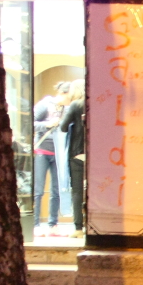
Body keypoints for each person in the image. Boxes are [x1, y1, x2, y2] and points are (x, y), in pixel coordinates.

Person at [32, 82, 69, 229]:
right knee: (38, 189)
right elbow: (30, 122)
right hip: (42, 150)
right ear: (62, 93)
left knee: (57, 189)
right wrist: (46, 125)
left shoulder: (67, 108)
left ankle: (53, 224)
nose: (70, 100)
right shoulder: (45, 104)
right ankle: (35, 224)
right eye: (69, 96)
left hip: (59, 152)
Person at [59, 80, 86, 233]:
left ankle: (78, 228)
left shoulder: (75, 105)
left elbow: (63, 127)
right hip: (94, 154)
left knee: (77, 191)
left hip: (77, 153)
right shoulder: (94, 104)